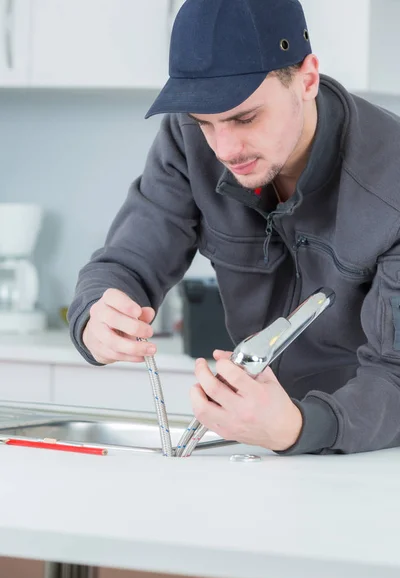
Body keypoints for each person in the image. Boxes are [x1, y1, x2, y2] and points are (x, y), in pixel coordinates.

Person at [68, 0, 400, 456]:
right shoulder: (187, 141)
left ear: (306, 78)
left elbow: (396, 374)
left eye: (245, 118)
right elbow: (127, 262)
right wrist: (96, 316)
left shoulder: (393, 179)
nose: (225, 148)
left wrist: (299, 427)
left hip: (376, 461)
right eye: (206, 123)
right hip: (260, 452)